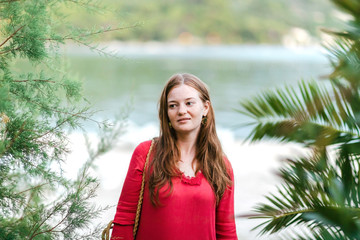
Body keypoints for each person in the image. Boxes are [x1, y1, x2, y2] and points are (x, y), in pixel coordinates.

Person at [110, 73, 238, 240]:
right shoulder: (146, 154)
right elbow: (124, 220)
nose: (181, 111)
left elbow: (226, 231)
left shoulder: (220, 165)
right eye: (173, 105)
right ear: (167, 112)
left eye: (189, 103)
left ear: (205, 108)